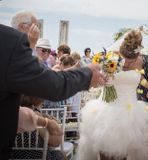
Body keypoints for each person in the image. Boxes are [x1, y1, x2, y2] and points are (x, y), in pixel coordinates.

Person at [0, 24, 105, 159]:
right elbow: (53, 85)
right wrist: (87, 74)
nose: (46, 54)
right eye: (43, 50)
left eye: (48, 51)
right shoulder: (9, 41)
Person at [78, 30, 148, 160]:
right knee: (105, 153)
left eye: (131, 61)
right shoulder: (112, 57)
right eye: (126, 60)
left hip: (131, 114)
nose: (127, 63)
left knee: (124, 154)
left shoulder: (139, 61)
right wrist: (104, 79)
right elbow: (100, 77)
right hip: (108, 110)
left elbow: (139, 76)